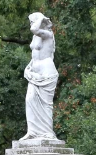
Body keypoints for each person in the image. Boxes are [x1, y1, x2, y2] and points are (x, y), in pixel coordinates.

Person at [20, 13, 59, 141]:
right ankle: (33, 131)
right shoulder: (36, 37)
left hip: (46, 73)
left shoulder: (48, 34)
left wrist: (41, 18)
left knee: (46, 104)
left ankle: (47, 132)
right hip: (35, 73)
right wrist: (29, 67)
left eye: (33, 21)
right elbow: (35, 55)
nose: (31, 24)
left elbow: (34, 29)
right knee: (30, 99)